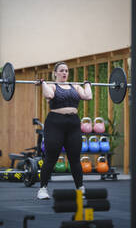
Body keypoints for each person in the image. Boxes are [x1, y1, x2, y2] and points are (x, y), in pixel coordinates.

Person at [37, 62, 92, 199]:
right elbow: (49, 95)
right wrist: (43, 83)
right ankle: (42, 189)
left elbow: (88, 96)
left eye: (66, 71)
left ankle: (80, 188)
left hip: (73, 124)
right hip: (55, 123)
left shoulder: (75, 86)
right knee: (51, 157)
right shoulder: (52, 86)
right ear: (55, 73)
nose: (64, 73)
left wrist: (87, 84)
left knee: (74, 158)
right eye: (61, 71)